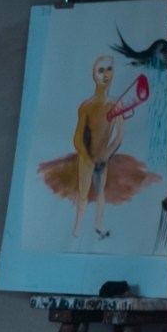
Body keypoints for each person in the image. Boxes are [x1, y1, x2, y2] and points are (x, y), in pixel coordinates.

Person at [72, 55, 125, 239]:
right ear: (93, 75)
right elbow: (78, 138)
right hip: (86, 159)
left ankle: (98, 227)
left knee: (101, 193)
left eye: (109, 69)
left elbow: (119, 137)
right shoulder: (86, 107)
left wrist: (106, 155)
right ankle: (77, 230)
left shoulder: (117, 104)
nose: (105, 74)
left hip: (103, 158)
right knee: (84, 194)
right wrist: (88, 158)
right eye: (101, 71)